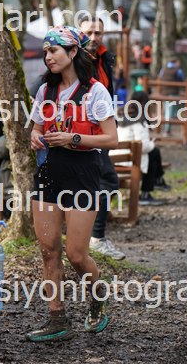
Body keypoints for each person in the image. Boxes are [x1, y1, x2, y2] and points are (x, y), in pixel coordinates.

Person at [26, 26, 118, 342]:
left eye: (53, 51)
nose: (48, 57)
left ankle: (98, 296)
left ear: (73, 52)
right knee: (48, 250)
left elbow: (111, 138)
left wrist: (73, 138)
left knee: (76, 254)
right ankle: (57, 319)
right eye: (45, 52)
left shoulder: (95, 91)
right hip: (49, 171)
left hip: (83, 173)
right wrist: (36, 136)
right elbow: (36, 128)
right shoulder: (45, 91)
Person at [79, 17, 125, 261]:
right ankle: (94, 238)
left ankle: (90, 237)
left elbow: (108, 95)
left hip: (101, 132)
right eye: (88, 32)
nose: (94, 37)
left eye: (98, 33)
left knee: (101, 181)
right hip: (80, 131)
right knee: (106, 180)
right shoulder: (73, 58)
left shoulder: (106, 59)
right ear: (79, 34)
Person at [117, 90, 170, 205]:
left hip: (116, 159)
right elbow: (143, 146)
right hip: (129, 161)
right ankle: (151, 188)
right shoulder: (139, 121)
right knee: (153, 153)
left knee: (153, 153)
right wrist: (152, 143)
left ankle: (158, 180)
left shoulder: (121, 116)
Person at [158, 55, 184, 136]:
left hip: (164, 93)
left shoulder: (163, 69)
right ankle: (167, 130)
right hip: (172, 93)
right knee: (169, 112)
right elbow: (181, 79)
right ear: (175, 62)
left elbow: (159, 77)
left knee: (166, 111)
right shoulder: (178, 70)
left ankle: (165, 129)